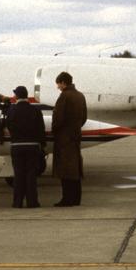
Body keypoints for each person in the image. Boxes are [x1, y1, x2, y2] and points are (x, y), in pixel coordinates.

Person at [6, 85, 46, 208]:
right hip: (33, 146)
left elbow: (8, 126)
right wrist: (42, 145)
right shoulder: (35, 110)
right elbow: (41, 129)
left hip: (17, 146)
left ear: (16, 96)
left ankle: (17, 202)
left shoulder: (11, 110)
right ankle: (32, 202)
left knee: (18, 175)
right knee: (31, 175)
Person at [51, 71, 87, 206]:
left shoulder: (64, 96)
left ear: (63, 82)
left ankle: (67, 199)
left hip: (64, 138)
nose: (58, 87)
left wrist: (56, 131)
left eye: (58, 84)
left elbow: (58, 118)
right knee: (75, 169)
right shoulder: (80, 96)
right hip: (75, 135)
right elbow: (84, 117)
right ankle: (76, 198)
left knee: (65, 169)